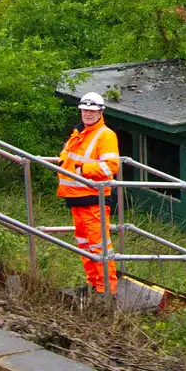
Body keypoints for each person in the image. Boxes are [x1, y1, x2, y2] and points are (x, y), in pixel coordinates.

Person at [56, 91, 121, 294]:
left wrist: (81, 170)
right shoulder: (79, 133)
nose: (87, 114)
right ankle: (94, 283)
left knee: (99, 246)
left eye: (92, 111)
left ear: (101, 112)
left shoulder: (105, 135)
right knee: (84, 245)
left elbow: (111, 167)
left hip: (94, 200)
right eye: (84, 110)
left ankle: (106, 289)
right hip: (76, 198)